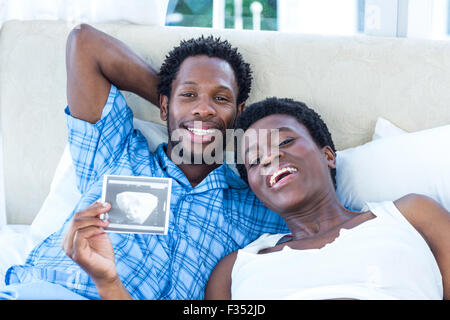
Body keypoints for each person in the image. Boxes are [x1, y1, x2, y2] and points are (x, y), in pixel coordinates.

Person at [2, 24, 288, 300]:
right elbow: (84, 43)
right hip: (50, 290)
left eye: (221, 98)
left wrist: (191, 108)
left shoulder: (257, 203)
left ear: (238, 112)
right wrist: (181, 108)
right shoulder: (118, 151)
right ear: (163, 105)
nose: (203, 107)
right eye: (189, 95)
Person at [205, 97, 449, 300]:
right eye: (255, 160)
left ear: (328, 156)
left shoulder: (412, 215)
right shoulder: (232, 271)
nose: (269, 158)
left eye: (285, 141)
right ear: (256, 190)